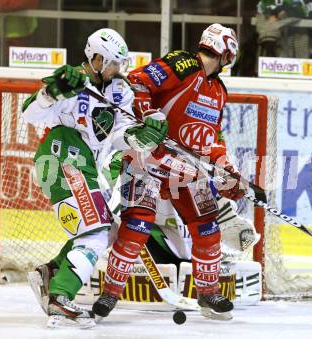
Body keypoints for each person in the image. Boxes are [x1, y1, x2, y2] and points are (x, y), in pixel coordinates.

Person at [91, 23, 246, 321]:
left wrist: (227, 168)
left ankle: (208, 292)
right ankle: (110, 293)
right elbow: (136, 82)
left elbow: (211, 139)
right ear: (227, 50)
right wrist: (149, 115)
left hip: (186, 168)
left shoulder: (218, 90)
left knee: (207, 226)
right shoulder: (183, 63)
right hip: (147, 158)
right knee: (137, 226)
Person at [22, 28, 168, 328]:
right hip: (62, 157)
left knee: (107, 230)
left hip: (87, 165)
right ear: (97, 58)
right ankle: (60, 297)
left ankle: (50, 272)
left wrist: (143, 137)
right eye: (114, 63)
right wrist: (52, 93)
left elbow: (117, 135)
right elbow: (31, 115)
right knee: (96, 233)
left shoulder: (120, 90)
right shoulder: (71, 81)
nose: (119, 69)